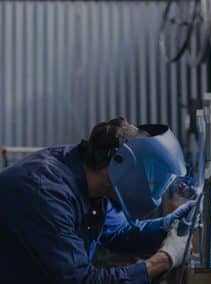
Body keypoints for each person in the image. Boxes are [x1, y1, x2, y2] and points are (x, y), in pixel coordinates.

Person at [0, 117, 195, 283]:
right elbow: (82, 280)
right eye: (150, 177)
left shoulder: (97, 182)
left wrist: (175, 223)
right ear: (122, 163)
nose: (155, 187)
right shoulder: (46, 194)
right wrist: (164, 259)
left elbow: (122, 233)